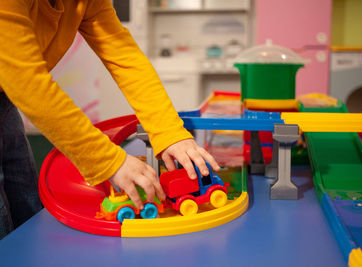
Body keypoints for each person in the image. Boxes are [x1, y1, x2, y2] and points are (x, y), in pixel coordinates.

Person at [0, 0, 220, 239]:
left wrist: (169, 132)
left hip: (4, 99)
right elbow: (29, 85)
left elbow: (124, 56)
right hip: (13, 87)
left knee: (25, 205)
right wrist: (108, 161)